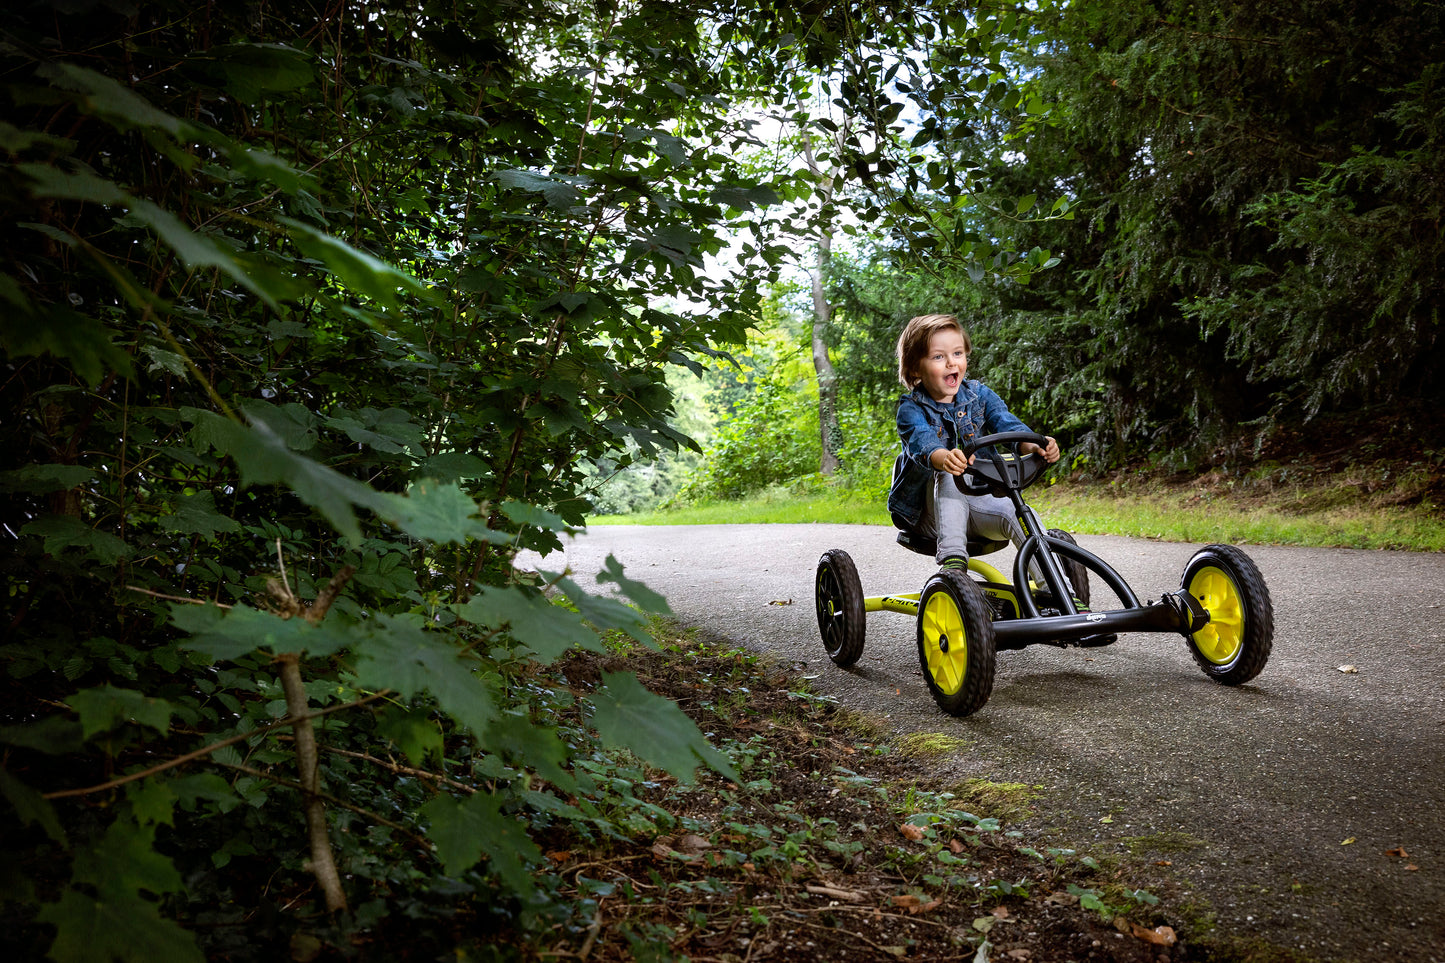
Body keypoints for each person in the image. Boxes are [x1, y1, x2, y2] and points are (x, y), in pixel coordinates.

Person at [887, 313, 1059, 571]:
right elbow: (923, 443)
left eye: (957, 353)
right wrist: (943, 457)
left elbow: (1007, 424)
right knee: (949, 471)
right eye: (938, 357)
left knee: (1020, 512)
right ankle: (953, 563)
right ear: (914, 368)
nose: (950, 363)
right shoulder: (911, 409)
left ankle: (1060, 593)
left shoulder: (980, 395)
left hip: (978, 503)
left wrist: (1034, 446)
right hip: (927, 515)